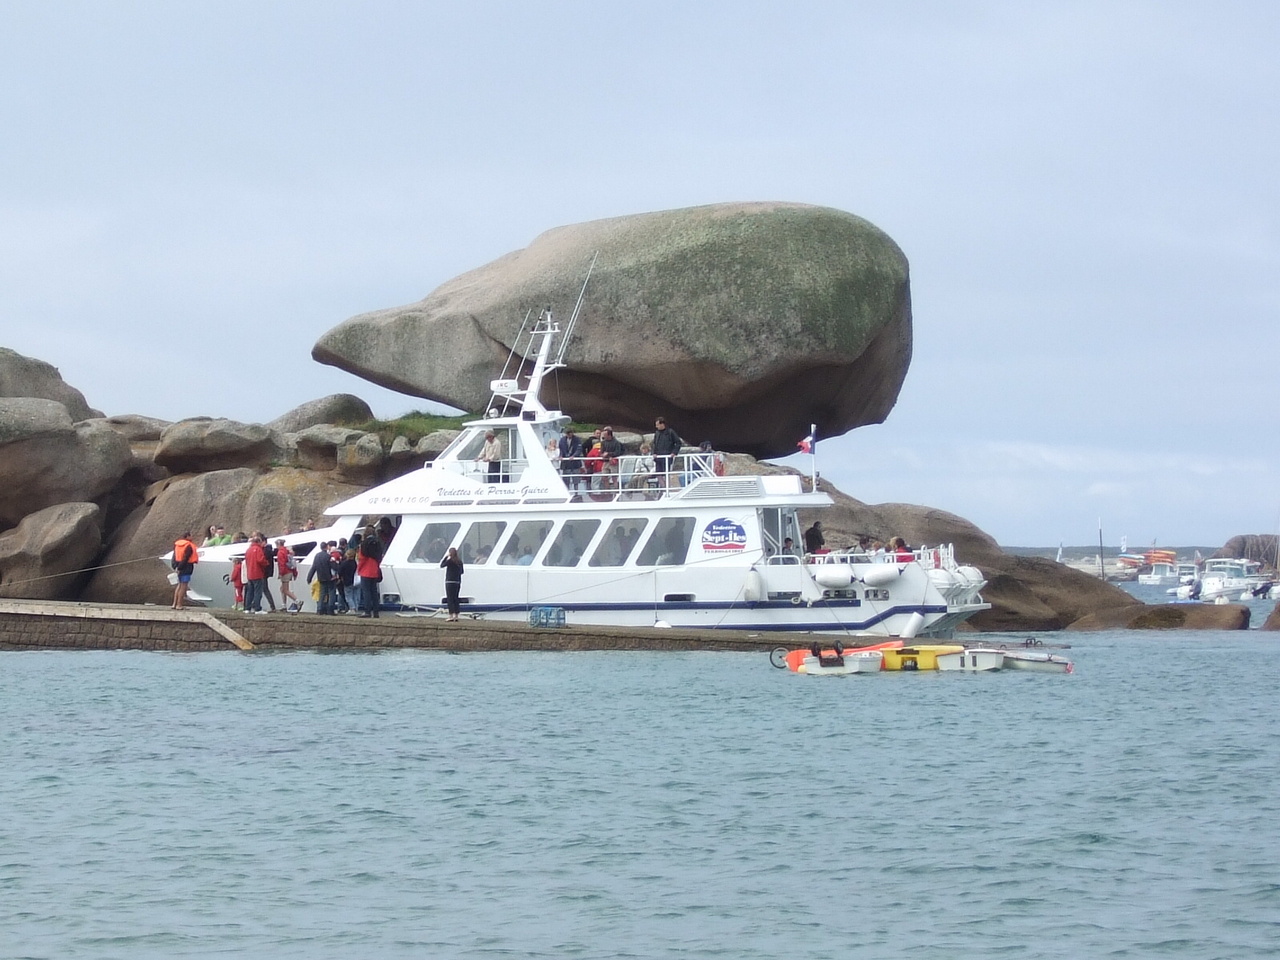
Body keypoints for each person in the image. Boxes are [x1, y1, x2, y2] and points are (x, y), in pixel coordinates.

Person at [651, 417, 684, 489]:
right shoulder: (657, 433)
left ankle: (667, 488)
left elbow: (678, 442)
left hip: (667, 456)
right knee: (658, 474)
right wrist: (654, 453)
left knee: (667, 473)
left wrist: (674, 453)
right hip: (658, 457)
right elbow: (654, 444)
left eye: (657, 425)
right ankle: (664, 487)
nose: (656, 426)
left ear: (662, 424)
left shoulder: (670, 432)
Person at [306, 542, 337, 615]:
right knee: (331, 593)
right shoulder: (328, 556)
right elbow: (334, 567)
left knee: (322, 593)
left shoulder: (317, 556)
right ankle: (330, 609)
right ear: (326, 547)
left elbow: (313, 567)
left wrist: (309, 578)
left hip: (321, 577)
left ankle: (319, 609)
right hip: (329, 578)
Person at [171, 531, 199, 609]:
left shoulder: (177, 545)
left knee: (179, 585)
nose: (192, 537)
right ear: (187, 536)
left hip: (178, 566)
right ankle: (179, 605)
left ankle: (174, 604)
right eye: (191, 536)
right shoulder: (188, 546)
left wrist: (176, 567)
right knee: (184, 586)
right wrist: (180, 568)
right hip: (186, 567)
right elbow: (185, 558)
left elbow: (174, 557)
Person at [357, 537, 383, 618]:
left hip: (365, 571)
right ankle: (376, 612)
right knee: (374, 592)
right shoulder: (377, 547)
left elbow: (361, 559)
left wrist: (359, 569)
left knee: (366, 592)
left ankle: (367, 611)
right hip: (374, 571)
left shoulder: (364, 548)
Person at [242, 535, 270, 613]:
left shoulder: (248, 550)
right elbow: (260, 560)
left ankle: (247, 608)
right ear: (259, 542)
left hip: (250, 574)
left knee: (249, 592)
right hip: (257, 573)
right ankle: (257, 608)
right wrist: (266, 563)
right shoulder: (258, 549)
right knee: (258, 592)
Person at [275, 539, 300, 612]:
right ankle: (284, 605)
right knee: (282, 589)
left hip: (285, 572)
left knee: (285, 590)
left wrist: (280, 573)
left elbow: (282, 564)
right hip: (290, 571)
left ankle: (297, 601)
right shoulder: (287, 552)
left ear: (278, 545)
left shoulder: (280, 552)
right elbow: (292, 563)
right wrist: (295, 573)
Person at [440, 546, 464, 621]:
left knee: (450, 598)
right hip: (457, 582)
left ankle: (451, 615)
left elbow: (442, 565)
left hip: (450, 581)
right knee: (456, 598)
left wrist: (446, 557)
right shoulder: (459, 561)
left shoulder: (450, 561)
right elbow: (462, 572)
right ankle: (456, 615)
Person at [558, 428, 585, 492]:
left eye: (570, 433)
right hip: (566, 463)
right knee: (566, 478)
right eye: (567, 434)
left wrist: (574, 456)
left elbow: (579, 449)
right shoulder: (562, 440)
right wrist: (561, 455)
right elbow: (561, 449)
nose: (569, 435)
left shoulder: (577, 439)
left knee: (576, 478)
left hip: (575, 462)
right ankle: (566, 491)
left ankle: (576, 492)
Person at [338, 549, 358, 613]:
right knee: (355, 596)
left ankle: (352, 608)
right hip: (354, 581)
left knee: (348, 596)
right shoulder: (354, 563)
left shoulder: (344, 563)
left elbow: (340, 572)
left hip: (346, 581)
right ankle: (356, 608)